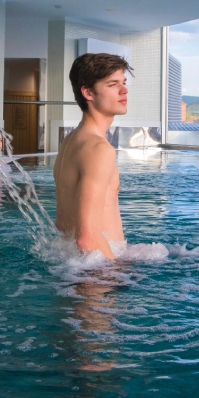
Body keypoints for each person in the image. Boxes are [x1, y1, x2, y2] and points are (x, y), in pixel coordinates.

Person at [53, 53, 131, 259]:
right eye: (113, 84)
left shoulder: (72, 141)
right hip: (97, 268)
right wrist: (118, 272)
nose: (124, 90)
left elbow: (62, 224)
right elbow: (87, 239)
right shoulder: (99, 149)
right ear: (88, 92)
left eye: (123, 82)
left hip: (75, 261)